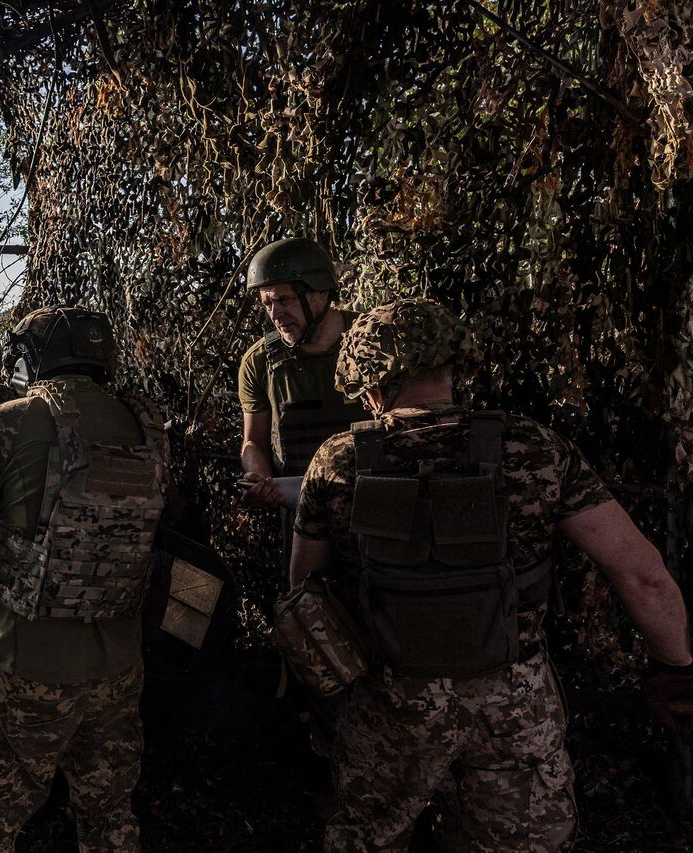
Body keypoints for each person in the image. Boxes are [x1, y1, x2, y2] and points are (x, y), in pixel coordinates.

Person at [289, 298, 693, 852]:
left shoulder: (336, 461)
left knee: (368, 838)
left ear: (370, 382)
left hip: (391, 703)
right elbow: (641, 575)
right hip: (514, 703)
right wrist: (677, 668)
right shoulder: (533, 448)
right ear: (453, 365)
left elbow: (304, 593)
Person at [0, 305, 167, 853]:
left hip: (24, 667)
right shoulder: (149, 426)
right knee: (108, 819)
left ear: (31, 359)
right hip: (120, 669)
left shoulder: (11, 421)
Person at [237, 237, 361, 554]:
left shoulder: (369, 340)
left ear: (321, 292)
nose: (276, 313)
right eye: (267, 304)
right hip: (301, 517)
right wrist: (260, 480)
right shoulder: (260, 361)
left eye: (285, 299)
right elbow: (254, 442)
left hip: (372, 508)